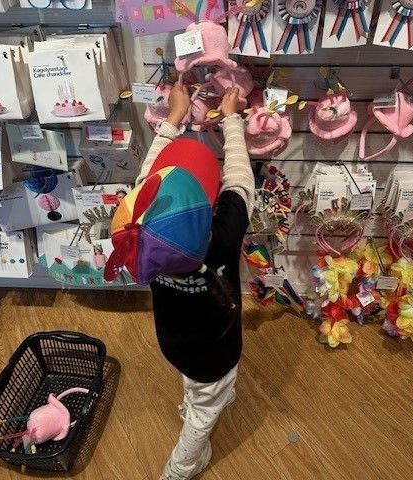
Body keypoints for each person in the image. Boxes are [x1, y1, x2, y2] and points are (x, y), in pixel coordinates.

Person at [136, 84, 254, 480]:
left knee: (197, 384)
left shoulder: (142, 226)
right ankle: (181, 467)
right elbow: (240, 179)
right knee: (205, 411)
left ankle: (198, 396)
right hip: (216, 352)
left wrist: (173, 118)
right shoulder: (221, 239)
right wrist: (232, 119)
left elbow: (146, 178)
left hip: (173, 340)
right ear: (211, 200)